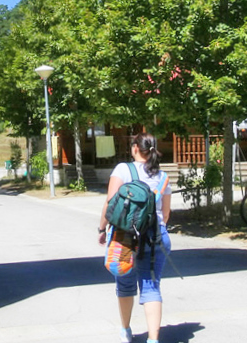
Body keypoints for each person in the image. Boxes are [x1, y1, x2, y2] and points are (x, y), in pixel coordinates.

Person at [98, 133, 172, 343]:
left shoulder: (123, 169)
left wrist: (101, 229)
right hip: (155, 236)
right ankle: (153, 339)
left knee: (124, 284)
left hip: (124, 237)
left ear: (135, 148)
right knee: (151, 287)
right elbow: (166, 214)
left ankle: (125, 331)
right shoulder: (163, 176)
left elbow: (110, 202)